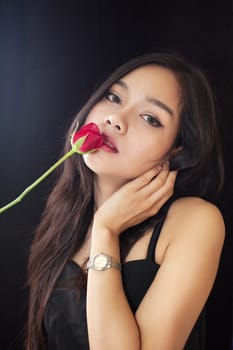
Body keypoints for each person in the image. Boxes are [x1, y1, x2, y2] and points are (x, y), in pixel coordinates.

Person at [25, 51, 225, 350]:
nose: (115, 119)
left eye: (150, 118)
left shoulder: (195, 221)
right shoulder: (62, 223)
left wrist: (106, 230)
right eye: (114, 98)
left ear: (177, 151)